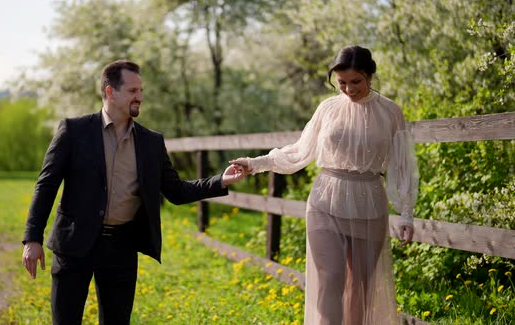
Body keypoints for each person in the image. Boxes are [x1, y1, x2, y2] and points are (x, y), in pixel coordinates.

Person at [21, 59, 246, 325]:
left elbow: (175, 190)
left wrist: (220, 181)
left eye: (141, 91)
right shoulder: (73, 131)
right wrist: (32, 238)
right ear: (110, 92)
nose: (139, 97)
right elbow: (46, 185)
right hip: (74, 245)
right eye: (132, 91)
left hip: (121, 247)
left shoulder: (151, 142)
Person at [231, 45, 419, 325]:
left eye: (356, 81)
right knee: (330, 279)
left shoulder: (391, 112)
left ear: (370, 75)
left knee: (360, 288)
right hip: (325, 200)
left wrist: (406, 213)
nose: (349, 89)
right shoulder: (328, 108)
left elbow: (402, 167)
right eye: (342, 83)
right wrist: (254, 163)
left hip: (369, 201)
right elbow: (299, 151)